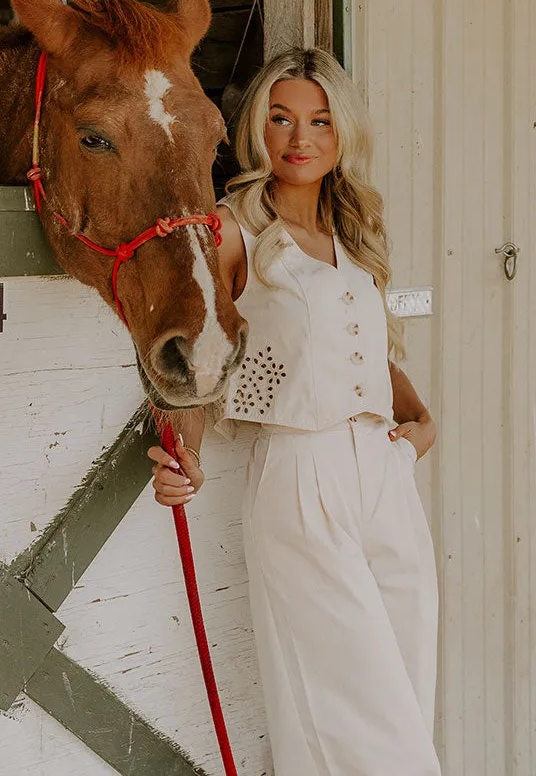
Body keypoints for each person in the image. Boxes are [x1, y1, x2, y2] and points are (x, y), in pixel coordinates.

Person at [148, 47, 441, 776]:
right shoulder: (231, 229)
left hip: (386, 477)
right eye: (281, 119)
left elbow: (371, 349)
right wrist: (180, 454)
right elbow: (199, 340)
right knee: (371, 732)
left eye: (318, 120)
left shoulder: (353, 233)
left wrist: (419, 425)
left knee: (407, 696)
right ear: (258, 129)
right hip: (300, 478)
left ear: (343, 131)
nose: (299, 138)